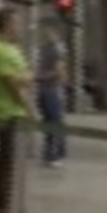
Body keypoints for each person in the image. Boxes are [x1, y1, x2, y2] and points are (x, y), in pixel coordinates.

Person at [0, 7, 35, 213]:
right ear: (6, 24)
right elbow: (12, 84)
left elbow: (27, 75)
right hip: (6, 112)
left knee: (18, 162)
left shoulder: (15, 50)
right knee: (5, 160)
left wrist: (23, 78)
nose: (19, 27)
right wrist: (27, 106)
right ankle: (2, 207)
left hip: (18, 112)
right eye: (15, 23)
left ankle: (17, 205)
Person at [36, 23, 68, 167]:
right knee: (48, 122)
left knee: (55, 121)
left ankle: (58, 154)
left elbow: (60, 72)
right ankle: (49, 153)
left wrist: (41, 77)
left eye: (47, 30)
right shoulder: (43, 48)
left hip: (52, 89)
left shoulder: (57, 49)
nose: (44, 32)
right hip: (43, 89)